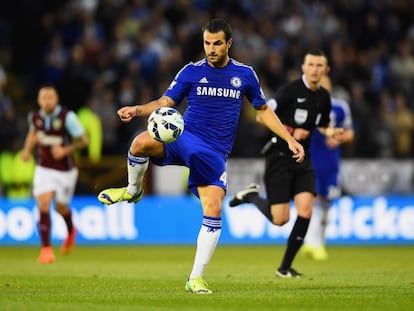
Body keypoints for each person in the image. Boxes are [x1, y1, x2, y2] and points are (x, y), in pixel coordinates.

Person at [97, 19, 304, 294]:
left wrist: (289, 139)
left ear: (228, 43)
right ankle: (133, 190)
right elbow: (164, 103)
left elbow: (263, 110)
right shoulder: (191, 71)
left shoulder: (244, 74)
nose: (211, 48)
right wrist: (137, 110)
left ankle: (195, 277)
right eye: (207, 43)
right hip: (183, 137)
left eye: (217, 43)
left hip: (213, 152)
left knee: (214, 208)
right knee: (139, 143)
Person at [230, 50, 345, 277]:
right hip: (279, 158)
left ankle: (284, 268)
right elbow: (261, 115)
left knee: (306, 210)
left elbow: (321, 124)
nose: (314, 69)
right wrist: (291, 132)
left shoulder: (324, 97)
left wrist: (331, 131)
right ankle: (251, 196)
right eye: (310, 64)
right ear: (303, 67)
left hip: (303, 158)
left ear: (326, 70)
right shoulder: (290, 92)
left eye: (319, 65)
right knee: (280, 219)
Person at [21, 85, 89, 264]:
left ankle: (71, 230)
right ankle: (46, 250)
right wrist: (27, 151)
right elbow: (32, 134)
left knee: (61, 208)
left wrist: (66, 150)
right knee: (43, 204)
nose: (47, 100)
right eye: (43, 97)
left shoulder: (68, 117)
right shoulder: (34, 117)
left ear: (56, 99)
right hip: (43, 168)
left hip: (66, 171)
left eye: (50, 97)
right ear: (38, 100)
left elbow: (84, 140)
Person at [302, 75, 355, 260]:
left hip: (331, 164)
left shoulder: (341, 107)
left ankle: (318, 242)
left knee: (326, 204)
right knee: (312, 200)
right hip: (310, 160)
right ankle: (312, 243)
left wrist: (339, 138)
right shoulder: (306, 104)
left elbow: (350, 134)